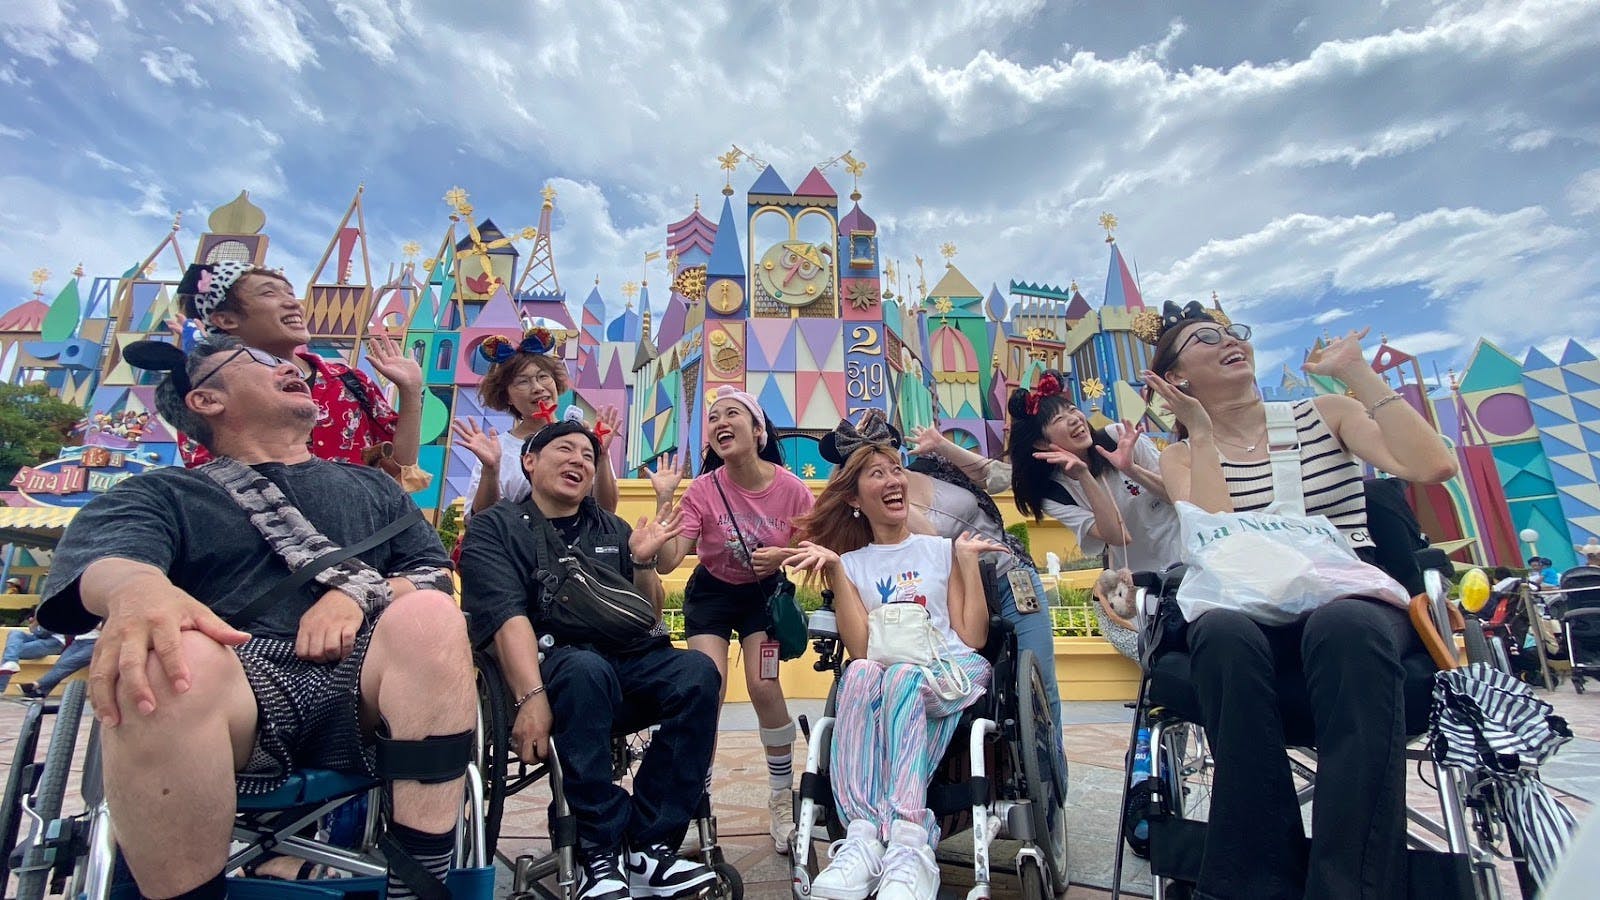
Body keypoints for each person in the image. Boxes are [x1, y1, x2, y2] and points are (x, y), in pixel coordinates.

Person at [36, 336, 474, 900]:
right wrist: (137, 591)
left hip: (369, 686)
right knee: (169, 651)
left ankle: (418, 885)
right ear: (206, 400)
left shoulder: (372, 487)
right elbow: (111, 560)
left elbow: (433, 572)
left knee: (433, 615)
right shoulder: (163, 491)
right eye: (261, 362)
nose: (288, 366)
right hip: (232, 682)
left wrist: (357, 594)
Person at [1140, 299, 1459, 899]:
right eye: (1205, 338)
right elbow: (1219, 539)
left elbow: (1433, 465)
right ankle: (1257, 884)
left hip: (1350, 596)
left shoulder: (1327, 413)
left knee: (1343, 627)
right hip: (1249, 605)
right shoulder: (1181, 454)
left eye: (1232, 331)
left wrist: (1357, 373)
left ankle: (1351, 887)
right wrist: (1202, 434)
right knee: (1220, 633)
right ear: (1176, 377)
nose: (1228, 340)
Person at [459, 418, 722, 900]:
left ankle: (648, 847)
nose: (579, 461)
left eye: (588, 455)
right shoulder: (496, 528)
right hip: (550, 669)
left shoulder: (610, 527)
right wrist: (531, 698)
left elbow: (645, 615)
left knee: (697, 673)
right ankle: (596, 852)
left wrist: (642, 563)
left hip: (620, 664)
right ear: (529, 461)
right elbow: (504, 617)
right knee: (585, 671)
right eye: (565, 449)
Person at [786, 443, 1003, 900]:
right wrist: (836, 572)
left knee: (901, 675)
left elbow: (972, 637)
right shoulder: (851, 564)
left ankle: (910, 840)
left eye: (896, 470)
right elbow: (862, 650)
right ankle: (863, 837)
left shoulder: (941, 550)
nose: (893, 481)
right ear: (854, 498)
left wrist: (966, 563)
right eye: (877, 474)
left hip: (950, 668)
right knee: (859, 673)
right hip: (891, 678)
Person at [649, 386, 814, 853]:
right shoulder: (703, 490)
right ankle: (695, 799)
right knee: (707, 688)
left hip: (763, 596)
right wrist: (664, 502)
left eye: (732, 414)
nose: (720, 422)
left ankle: (782, 799)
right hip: (712, 595)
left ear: (758, 431)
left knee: (764, 687)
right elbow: (667, 561)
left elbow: (818, 547)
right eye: (714, 417)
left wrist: (782, 556)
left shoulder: (792, 490)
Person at [856, 414, 1066, 737]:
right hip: (959, 595)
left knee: (1041, 686)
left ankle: (1052, 767)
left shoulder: (933, 466)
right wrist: (890, 494)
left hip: (1009, 576)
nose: (884, 460)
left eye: (888, 451)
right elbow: (933, 547)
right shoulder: (886, 506)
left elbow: (998, 477)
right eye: (871, 459)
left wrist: (942, 446)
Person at [175, 260, 430, 491]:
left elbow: (400, 467)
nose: (294, 303)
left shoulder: (349, 381)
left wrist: (410, 391)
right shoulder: (211, 394)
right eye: (268, 293)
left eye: (290, 293)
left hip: (359, 525)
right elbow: (210, 486)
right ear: (226, 319)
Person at [1008, 370, 1181, 576]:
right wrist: (1084, 475)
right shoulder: (1055, 493)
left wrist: (1131, 469)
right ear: (1042, 443)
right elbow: (1118, 536)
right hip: (1143, 579)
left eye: (1073, 410)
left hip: (1189, 557)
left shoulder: (1119, 438)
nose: (1074, 419)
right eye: (1059, 419)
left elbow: (1180, 496)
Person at [452, 326, 620, 516]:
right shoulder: (498, 448)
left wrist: (602, 455)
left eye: (543, 377)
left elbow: (607, 511)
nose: (538, 388)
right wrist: (490, 470)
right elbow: (479, 519)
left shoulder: (583, 439)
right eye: (522, 382)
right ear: (507, 396)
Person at [16, 627, 97, 698]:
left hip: (96, 642)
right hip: (78, 641)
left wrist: (92, 622)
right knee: (59, 664)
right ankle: (41, 692)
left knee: (67, 664)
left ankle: (35, 685)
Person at [0, 611, 64, 692]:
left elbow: (44, 632)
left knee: (12, 650)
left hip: (54, 642)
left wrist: (34, 626)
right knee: (15, 633)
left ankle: (0, 688)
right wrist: (35, 624)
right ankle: (11, 662)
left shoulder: (61, 608)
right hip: (38, 637)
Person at [1092, 568, 1140, 661]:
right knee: (1138, 642)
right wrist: (1135, 628)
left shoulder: (1110, 586)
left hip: (1120, 625)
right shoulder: (1099, 587)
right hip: (1111, 628)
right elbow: (1112, 615)